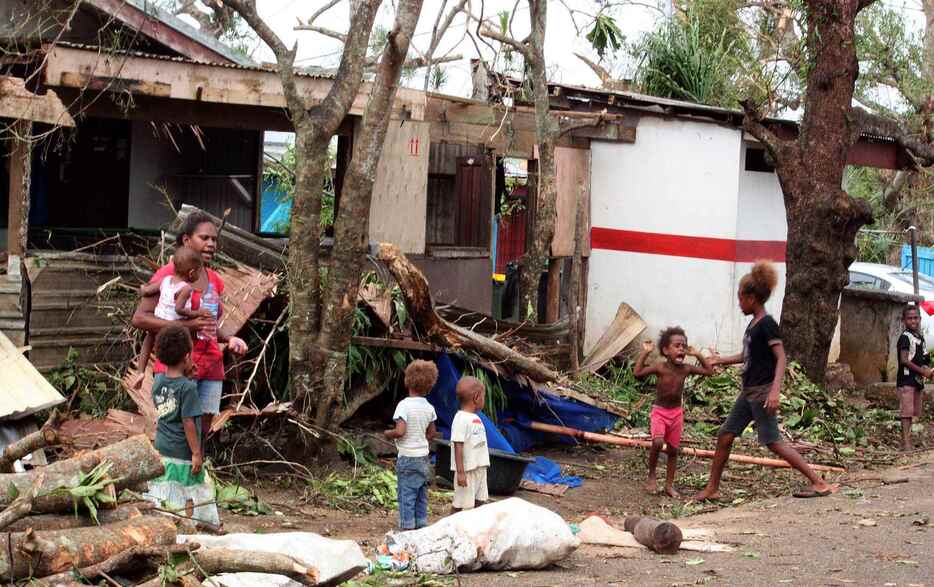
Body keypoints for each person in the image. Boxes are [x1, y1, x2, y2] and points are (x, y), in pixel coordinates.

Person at [693, 260, 835, 501]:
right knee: (725, 436)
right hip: (749, 393)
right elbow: (747, 355)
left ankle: (818, 482)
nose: (739, 303)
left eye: (740, 298)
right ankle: (712, 488)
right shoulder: (753, 325)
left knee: (773, 442)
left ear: (751, 298)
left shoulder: (768, 324)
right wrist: (719, 360)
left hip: (762, 392)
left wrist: (774, 392)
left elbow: (781, 358)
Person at [132, 211, 248, 439]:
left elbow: (207, 324)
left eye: (214, 239)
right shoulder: (169, 276)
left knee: (201, 432)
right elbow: (140, 319)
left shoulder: (215, 279)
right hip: (176, 367)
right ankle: (173, 473)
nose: (211, 244)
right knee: (174, 430)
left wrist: (229, 339)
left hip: (211, 367)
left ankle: (194, 473)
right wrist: (187, 326)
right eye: (204, 238)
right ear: (186, 240)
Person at [145, 324, 219, 527]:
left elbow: (168, 404)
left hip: (162, 444)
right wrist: (196, 452)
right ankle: (197, 522)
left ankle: (165, 519)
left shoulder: (158, 381)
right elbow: (188, 422)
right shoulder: (188, 389)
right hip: (182, 449)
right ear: (187, 356)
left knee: (168, 486)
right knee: (191, 486)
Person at [634, 327, 714, 498]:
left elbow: (709, 371)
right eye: (677, 346)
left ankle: (669, 485)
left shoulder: (685, 369)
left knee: (673, 450)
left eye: (683, 347)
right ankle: (652, 475)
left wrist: (698, 355)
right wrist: (646, 353)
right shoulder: (660, 367)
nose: (681, 349)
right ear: (665, 350)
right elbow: (637, 373)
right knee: (657, 442)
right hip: (660, 412)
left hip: (676, 414)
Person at [134, 247, 212, 388]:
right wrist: (196, 314)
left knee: (148, 340)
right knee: (187, 341)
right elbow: (179, 310)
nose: (200, 275)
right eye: (199, 272)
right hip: (173, 321)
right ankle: (189, 368)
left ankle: (140, 371)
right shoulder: (186, 288)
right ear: (191, 273)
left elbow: (147, 290)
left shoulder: (165, 280)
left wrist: (142, 289)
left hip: (158, 317)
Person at [384, 360, 439, 530]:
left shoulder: (404, 405)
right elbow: (431, 433)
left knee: (406, 494)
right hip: (423, 458)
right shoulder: (429, 407)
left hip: (407, 458)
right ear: (430, 386)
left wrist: (389, 434)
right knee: (421, 493)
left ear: (407, 381)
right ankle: (421, 524)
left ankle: (407, 527)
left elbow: (400, 431)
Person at [450, 376, 490, 512]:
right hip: (467, 471)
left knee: (480, 500)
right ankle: (448, 528)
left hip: (480, 468)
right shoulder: (461, 418)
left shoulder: (476, 418)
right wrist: (461, 472)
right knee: (461, 504)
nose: (484, 400)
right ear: (477, 397)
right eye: (484, 396)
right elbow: (458, 445)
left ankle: (474, 529)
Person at [896, 304, 931, 451]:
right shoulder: (905, 337)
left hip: (916, 381)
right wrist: (923, 372)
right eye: (909, 318)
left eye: (915, 318)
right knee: (906, 412)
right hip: (906, 380)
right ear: (904, 320)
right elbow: (904, 360)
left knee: (913, 412)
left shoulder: (920, 338)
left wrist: (926, 368)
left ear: (920, 319)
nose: (913, 321)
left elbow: (924, 359)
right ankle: (906, 443)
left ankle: (908, 439)